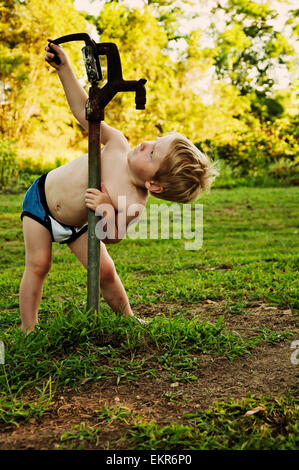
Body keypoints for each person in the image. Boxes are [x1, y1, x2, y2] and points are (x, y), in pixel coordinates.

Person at [19, 39, 218, 333]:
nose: (146, 144)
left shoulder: (134, 201)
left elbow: (113, 237)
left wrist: (107, 210)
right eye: (155, 141)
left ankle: (128, 317)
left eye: (153, 153)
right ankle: (28, 329)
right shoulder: (116, 144)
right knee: (39, 264)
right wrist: (65, 69)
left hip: (81, 226)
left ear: (154, 184)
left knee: (106, 271)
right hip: (42, 203)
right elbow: (83, 112)